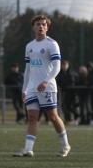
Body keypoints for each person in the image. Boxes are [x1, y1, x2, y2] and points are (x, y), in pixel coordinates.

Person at [12, 15, 70, 157]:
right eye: (38, 24)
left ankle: (65, 145)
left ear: (47, 27)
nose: (41, 27)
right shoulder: (30, 46)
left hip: (47, 87)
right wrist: (24, 88)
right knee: (32, 117)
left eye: (44, 24)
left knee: (53, 117)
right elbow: (28, 70)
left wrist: (46, 81)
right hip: (32, 88)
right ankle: (28, 149)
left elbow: (57, 67)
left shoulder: (52, 44)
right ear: (33, 27)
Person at [56, 59, 78, 124]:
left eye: (65, 65)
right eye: (63, 65)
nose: (64, 66)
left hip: (72, 92)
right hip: (64, 92)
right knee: (64, 106)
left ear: (68, 65)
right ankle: (68, 119)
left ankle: (76, 117)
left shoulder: (72, 73)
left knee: (72, 106)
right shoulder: (60, 74)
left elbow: (75, 81)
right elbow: (58, 82)